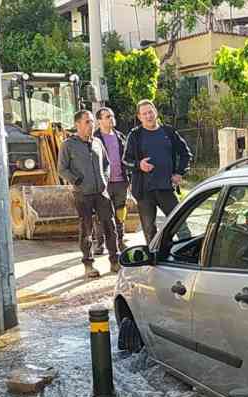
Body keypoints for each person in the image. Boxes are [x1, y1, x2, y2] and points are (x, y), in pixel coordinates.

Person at [58, 110, 119, 278]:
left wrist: (105, 180)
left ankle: (115, 261)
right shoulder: (68, 145)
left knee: (110, 227)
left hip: (101, 193)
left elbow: (106, 164)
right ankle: (88, 264)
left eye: (92, 121)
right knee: (86, 230)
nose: (91, 125)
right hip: (82, 195)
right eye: (87, 122)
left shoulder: (98, 142)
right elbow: (62, 169)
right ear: (77, 124)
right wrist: (77, 181)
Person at [122, 99, 193, 244]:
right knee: (149, 231)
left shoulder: (168, 132)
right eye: (144, 114)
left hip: (166, 188)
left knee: (180, 226)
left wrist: (179, 172)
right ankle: (154, 261)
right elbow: (125, 160)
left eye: (150, 112)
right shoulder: (135, 136)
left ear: (155, 112)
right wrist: (138, 165)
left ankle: (190, 255)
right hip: (144, 192)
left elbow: (186, 154)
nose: (148, 116)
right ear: (139, 117)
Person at [94, 107, 128, 254]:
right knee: (102, 214)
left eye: (112, 116)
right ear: (99, 120)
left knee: (120, 212)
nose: (111, 119)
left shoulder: (120, 137)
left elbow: (127, 159)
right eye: (107, 116)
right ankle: (100, 243)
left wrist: (130, 179)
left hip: (121, 182)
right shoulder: (94, 139)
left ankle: (120, 241)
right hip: (104, 184)